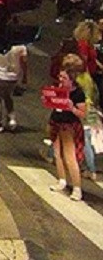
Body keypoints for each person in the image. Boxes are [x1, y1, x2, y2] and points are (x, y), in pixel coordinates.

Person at [47, 58, 88, 201]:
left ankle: (77, 188)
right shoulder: (58, 88)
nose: (61, 79)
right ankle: (62, 180)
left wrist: (72, 107)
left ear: (72, 79)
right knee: (57, 153)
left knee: (70, 157)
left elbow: (83, 113)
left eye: (64, 77)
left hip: (69, 125)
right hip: (56, 121)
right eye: (60, 76)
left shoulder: (78, 94)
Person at [0, 43, 27, 132]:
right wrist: (24, 76)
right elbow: (24, 63)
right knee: (8, 98)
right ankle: (12, 119)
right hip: (13, 77)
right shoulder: (21, 47)